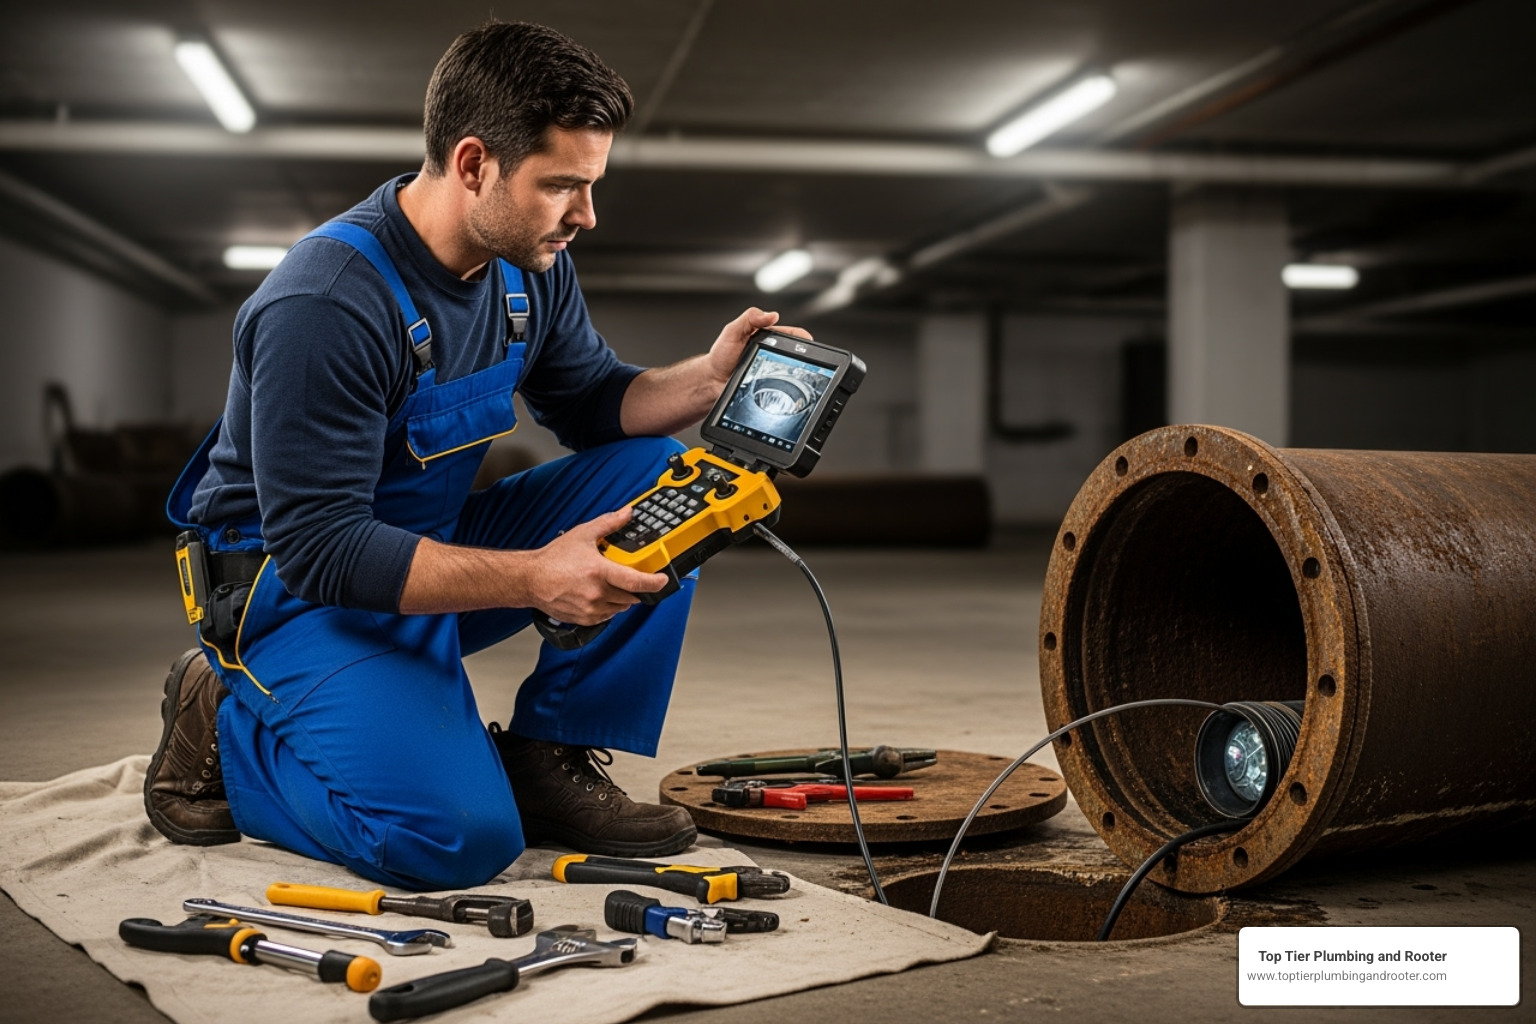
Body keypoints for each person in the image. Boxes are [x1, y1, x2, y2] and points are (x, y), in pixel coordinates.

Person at [144, 20, 804, 891]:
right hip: (294, 594)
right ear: (472, 164)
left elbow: (594, 402)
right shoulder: (326, 302)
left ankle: (549, 758)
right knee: (455, 843)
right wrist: (535, 578)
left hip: (426, 553)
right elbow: (322, 549)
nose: (586, 214)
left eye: (592, 183)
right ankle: (227, 719)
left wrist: (709, 380)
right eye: (562, 185)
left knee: (656, 475)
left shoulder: (527, 266)